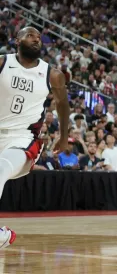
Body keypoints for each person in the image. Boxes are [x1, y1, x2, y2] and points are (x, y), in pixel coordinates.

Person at [0, 27, 69, 248]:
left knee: (0, 168)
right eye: (30, 35)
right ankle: (3, 236)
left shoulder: (53, 74)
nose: (36, 39)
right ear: (17, 40)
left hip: (24, 139)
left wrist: (64, 136)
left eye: (39, 37)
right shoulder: (3, 63)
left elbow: (63, 106)